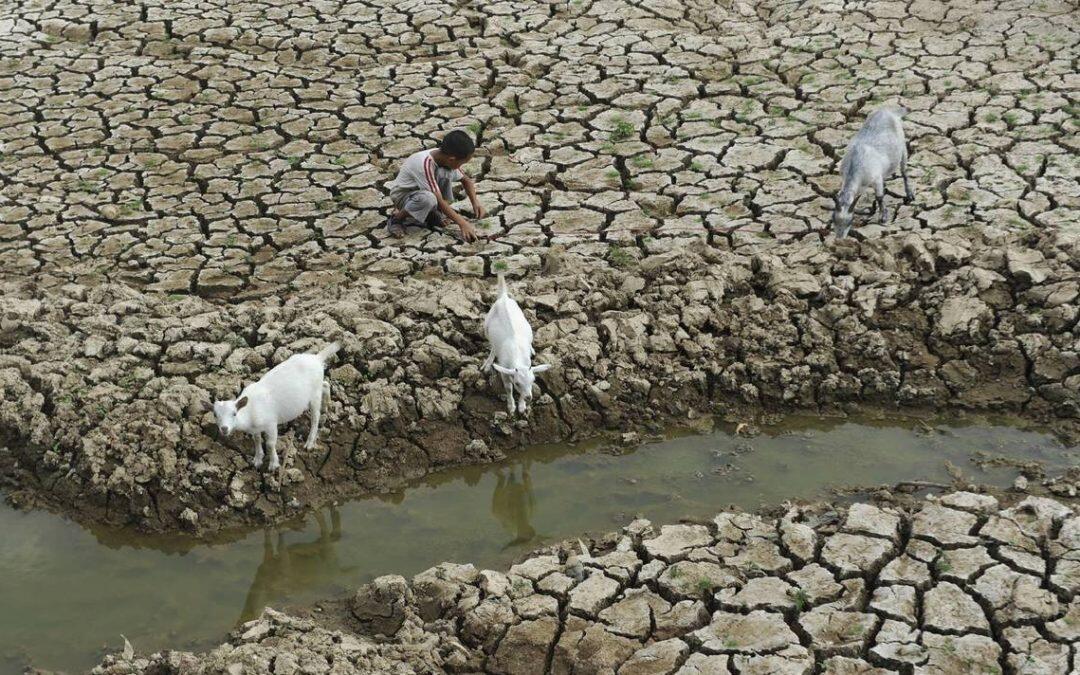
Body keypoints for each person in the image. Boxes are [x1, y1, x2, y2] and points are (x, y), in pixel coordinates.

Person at [384, 130, 485, 242]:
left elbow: (466, 180)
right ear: (452, 159)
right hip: (403, 195)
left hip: (422, 192)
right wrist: (463, 223)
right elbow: (438, 200)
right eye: (462, 163)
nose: (460, 166)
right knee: (428, 199)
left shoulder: (444, 159)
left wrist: (475, 203)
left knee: (446, 174)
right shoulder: (424, 163)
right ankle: (397, 219)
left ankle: (432, 214)